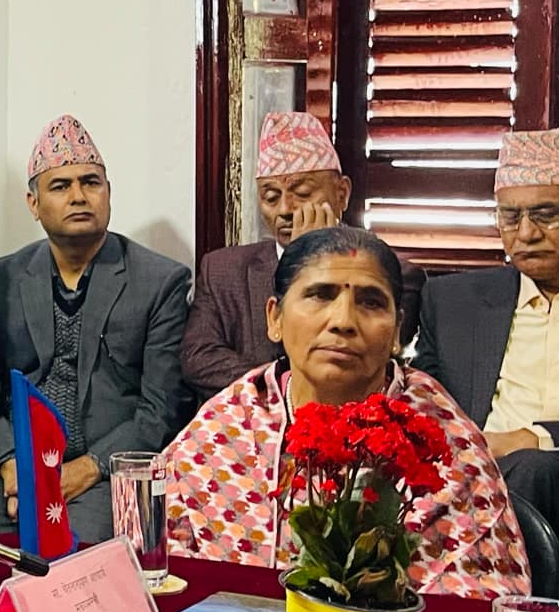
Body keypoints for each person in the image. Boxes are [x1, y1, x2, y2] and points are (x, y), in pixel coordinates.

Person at [163, 226, 528, 598]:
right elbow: (155, 578)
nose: (343, 321)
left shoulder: (440, 437)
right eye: (320, 295)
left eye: (371, 302)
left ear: (397, 331)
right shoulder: (226, 428)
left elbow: (483, 603)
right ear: (275, 318)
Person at [0, 115, 190, 545]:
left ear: (108, 192)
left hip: (104, 470)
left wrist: (87, 468)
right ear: (33, 203)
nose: (78, 196)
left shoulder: (160, 282)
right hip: (11, 467)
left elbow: (162, 408)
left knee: (83, 551)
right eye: (60, 186)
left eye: (91, 183)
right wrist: (11, 465)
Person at [417, 128, 559, 603]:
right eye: (510, 216)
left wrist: (535, 439)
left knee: (533, 469)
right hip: (469, 489)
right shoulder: (453, 302)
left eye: (546, 215)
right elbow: (424, 407)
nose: (525, 234)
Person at [181, 111, 425, 402]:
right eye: (271, 197)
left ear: (342, 193)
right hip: (247, 421)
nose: (285, 209)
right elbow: (198, 358)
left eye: (303, 193)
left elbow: (375, 366)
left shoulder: (396, 275)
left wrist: (317, 257)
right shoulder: (223, 269)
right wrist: (285, 391)